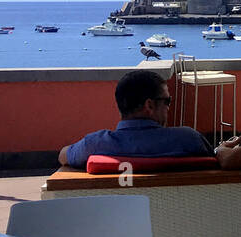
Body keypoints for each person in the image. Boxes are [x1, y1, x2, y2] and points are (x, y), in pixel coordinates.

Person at [58, 69, 212, 167]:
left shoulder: (94, 144)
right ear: (149, 106)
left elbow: (63, 156)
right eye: (167, 101)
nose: (169, 107)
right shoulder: (189, 140)